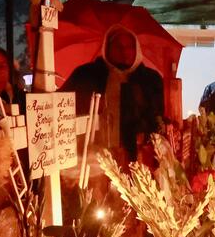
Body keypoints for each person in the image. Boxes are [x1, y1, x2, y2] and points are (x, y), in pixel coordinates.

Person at [61, 25, 165, 162]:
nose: (124, 51)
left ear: (137, 50)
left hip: (138, 159)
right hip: (93, 158)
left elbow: (158, 118)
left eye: (129, 47)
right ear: (107, 48)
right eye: (118, 46)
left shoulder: (150, 80)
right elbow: (63, 108)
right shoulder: (85, 75)